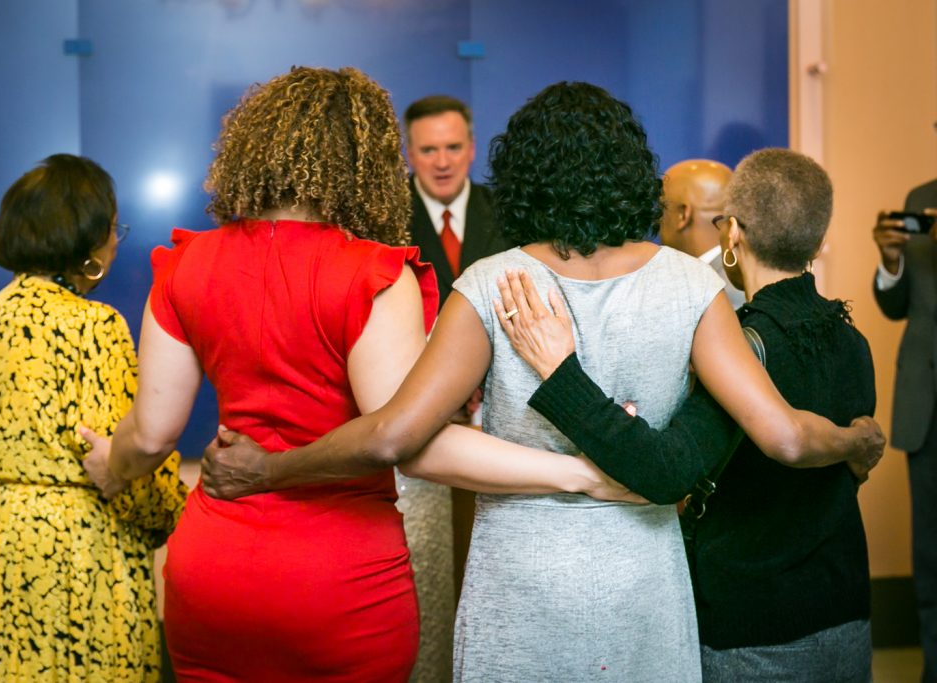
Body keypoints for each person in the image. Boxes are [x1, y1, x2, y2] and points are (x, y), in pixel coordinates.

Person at [196, 83, 883, 681]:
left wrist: (272, 467)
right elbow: (783, 435)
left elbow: (395, 434)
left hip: (521, 583)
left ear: (522, 174)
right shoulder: (692, 288)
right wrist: (856, 438)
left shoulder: (491, 284)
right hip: (643, 579)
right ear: (630, 171)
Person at [80, 67, 624, 682]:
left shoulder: (185, 265)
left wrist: (109, 466)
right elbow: (410, 441)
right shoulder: (372, 273)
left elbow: (151, 436)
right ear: (365, 161)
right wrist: (581, 472)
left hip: (214, 568)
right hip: (339, 577)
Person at [496, 148, 880, 682]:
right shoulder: (852, 339)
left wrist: (561, 376)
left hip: (754, 629)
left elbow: (665, 469)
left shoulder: (740, 350)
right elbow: (845, 476)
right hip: (847, 615)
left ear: (734, 234)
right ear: (819, 241)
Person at [0, 154, 187, 682]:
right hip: (73, 552)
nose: (115, 241)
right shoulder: (94, 325)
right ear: (88, 242)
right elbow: (124, 454)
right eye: (112, 229)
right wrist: (170, 511)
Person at [401, 94, 511, 682]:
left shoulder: (508, 213)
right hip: (417, 415)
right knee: (424, 575)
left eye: (452, 147)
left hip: (497, 413)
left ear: (470, 148)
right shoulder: (386, 217)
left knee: (483, 560)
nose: (441, 161)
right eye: (427, 149)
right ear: (409, 153)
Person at [873, 178, 937, 683]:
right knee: (930, 556)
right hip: (927, 407)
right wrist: (890, 260)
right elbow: (897, 307)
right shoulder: (918, 199)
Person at [659, 158, 746, 308]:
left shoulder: (721, 292)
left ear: (683, 215)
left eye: (661, 208)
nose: (656, 219)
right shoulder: (740, 277)